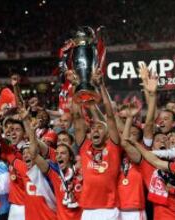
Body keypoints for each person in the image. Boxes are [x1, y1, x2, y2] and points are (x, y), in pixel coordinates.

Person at [73, 69, 122, 220]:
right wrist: (77, 87)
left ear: (107, 134)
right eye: (93, 127)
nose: (95, 129)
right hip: (88, 210)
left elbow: (110, 117)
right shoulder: (85, 147)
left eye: (100, 128)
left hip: (110, 209)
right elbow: (77, 119)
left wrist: (101, 86)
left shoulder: (112, 147)